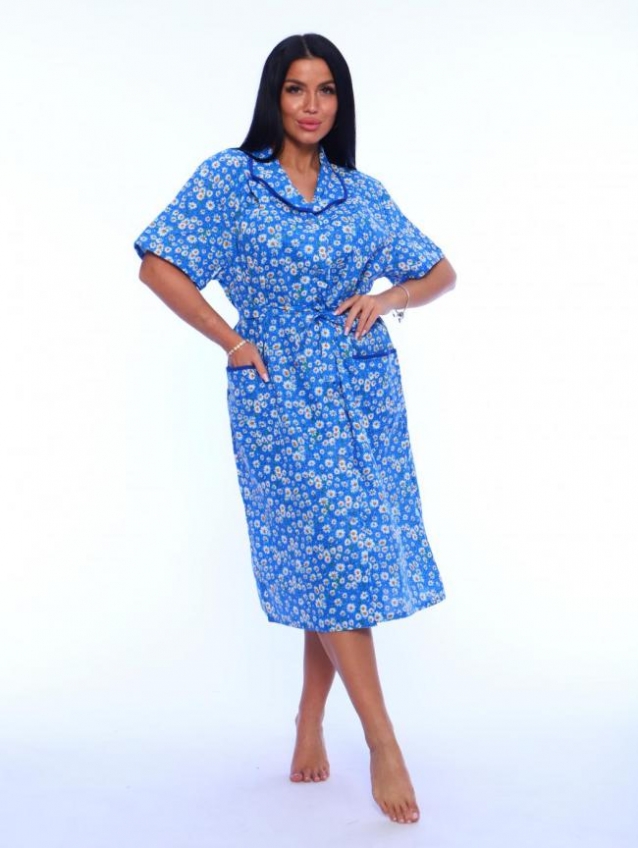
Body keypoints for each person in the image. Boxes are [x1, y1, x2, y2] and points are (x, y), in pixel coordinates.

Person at [134, 33, 456, 825]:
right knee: (333, 552)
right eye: (295, 89)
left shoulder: (360, 193)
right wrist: (231, 340)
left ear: (341, 101)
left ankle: (311, 717)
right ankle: (383, 741)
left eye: (326, 90)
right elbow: (158, 264)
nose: (312, 106)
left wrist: (389, 298)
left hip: (362, 389)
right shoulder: (232, 179)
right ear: (272, 97)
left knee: (336, 558)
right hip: (276, 390)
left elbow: (439, 271)